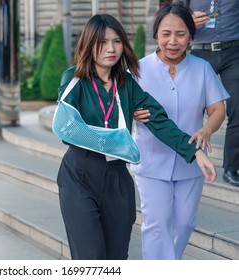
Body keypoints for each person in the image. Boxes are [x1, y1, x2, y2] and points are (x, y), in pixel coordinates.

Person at [55, 13, 216, 260]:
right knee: (91, 256)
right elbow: (66, 127)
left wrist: (195, 151)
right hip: (80, 174)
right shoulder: (74, 78)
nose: (111, 48)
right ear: (88, 44)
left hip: (117, 178)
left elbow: (159, 121)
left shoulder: (127, 83)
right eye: (103, 42)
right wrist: (113, 137)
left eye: (117, 41)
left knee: (117, 256)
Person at [132, 2, 229, 260]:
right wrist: (129, 112)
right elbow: (119, 105)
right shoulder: (138, 71)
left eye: (180, 34)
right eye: (166, 34)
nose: (173, 41)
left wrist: (207, 129)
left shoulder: (202, 68)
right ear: (156, 35)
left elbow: (218, 109)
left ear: (190, 36)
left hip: (192, 162)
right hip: (151, 160)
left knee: (185, 223)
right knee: (157, 225)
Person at [173, 0, 239, 186]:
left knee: (238, 110)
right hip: (201, 52)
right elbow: (173, 15)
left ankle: (232, 168)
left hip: (234, 52)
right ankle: (185, 156)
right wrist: (188, 21)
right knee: (189, 108)